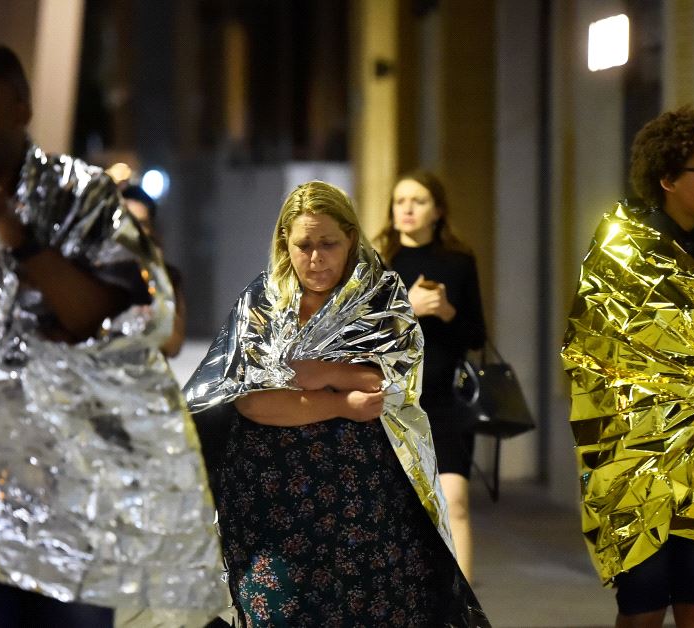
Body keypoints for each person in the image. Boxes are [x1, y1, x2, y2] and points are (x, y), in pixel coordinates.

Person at [0, 42, 226, 627]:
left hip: (69, 483)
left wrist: (19, 238)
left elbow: (126, 318)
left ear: (20, 110)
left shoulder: (82, 195)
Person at [184, 181, 490, 627]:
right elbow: (251, 400)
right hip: (272, 501)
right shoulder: (264, 301)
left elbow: (392, 383)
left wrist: (314, 372)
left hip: (363, 503)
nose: (315, 258)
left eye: (328, 243)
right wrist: (341, 403)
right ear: (283, 243)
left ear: (351, 237)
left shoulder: (379, 299)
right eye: (303, 245)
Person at [561, 104, 694, 628]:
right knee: (642, 602)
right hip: (638, 459)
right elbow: (587, 355)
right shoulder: (619, 253)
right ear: (667, 178)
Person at [374, 170, 487, 585]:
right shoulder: (379, 263)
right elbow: (359, 336)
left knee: (454, 502)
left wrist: (446, 312)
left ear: (437, 211)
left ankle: (463, 611)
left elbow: (477, 335)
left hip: (445, 401)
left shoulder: (458, 261)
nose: (406, 208)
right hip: (392, 400)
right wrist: (408, 307)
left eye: (418, 201)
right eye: (399, 200)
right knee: (399, 510)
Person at [121, 183, 187, 357]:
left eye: (141, 224)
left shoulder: (166, 276)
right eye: (126, 221)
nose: (133, 231)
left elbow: (173, 346)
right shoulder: (94, 273)